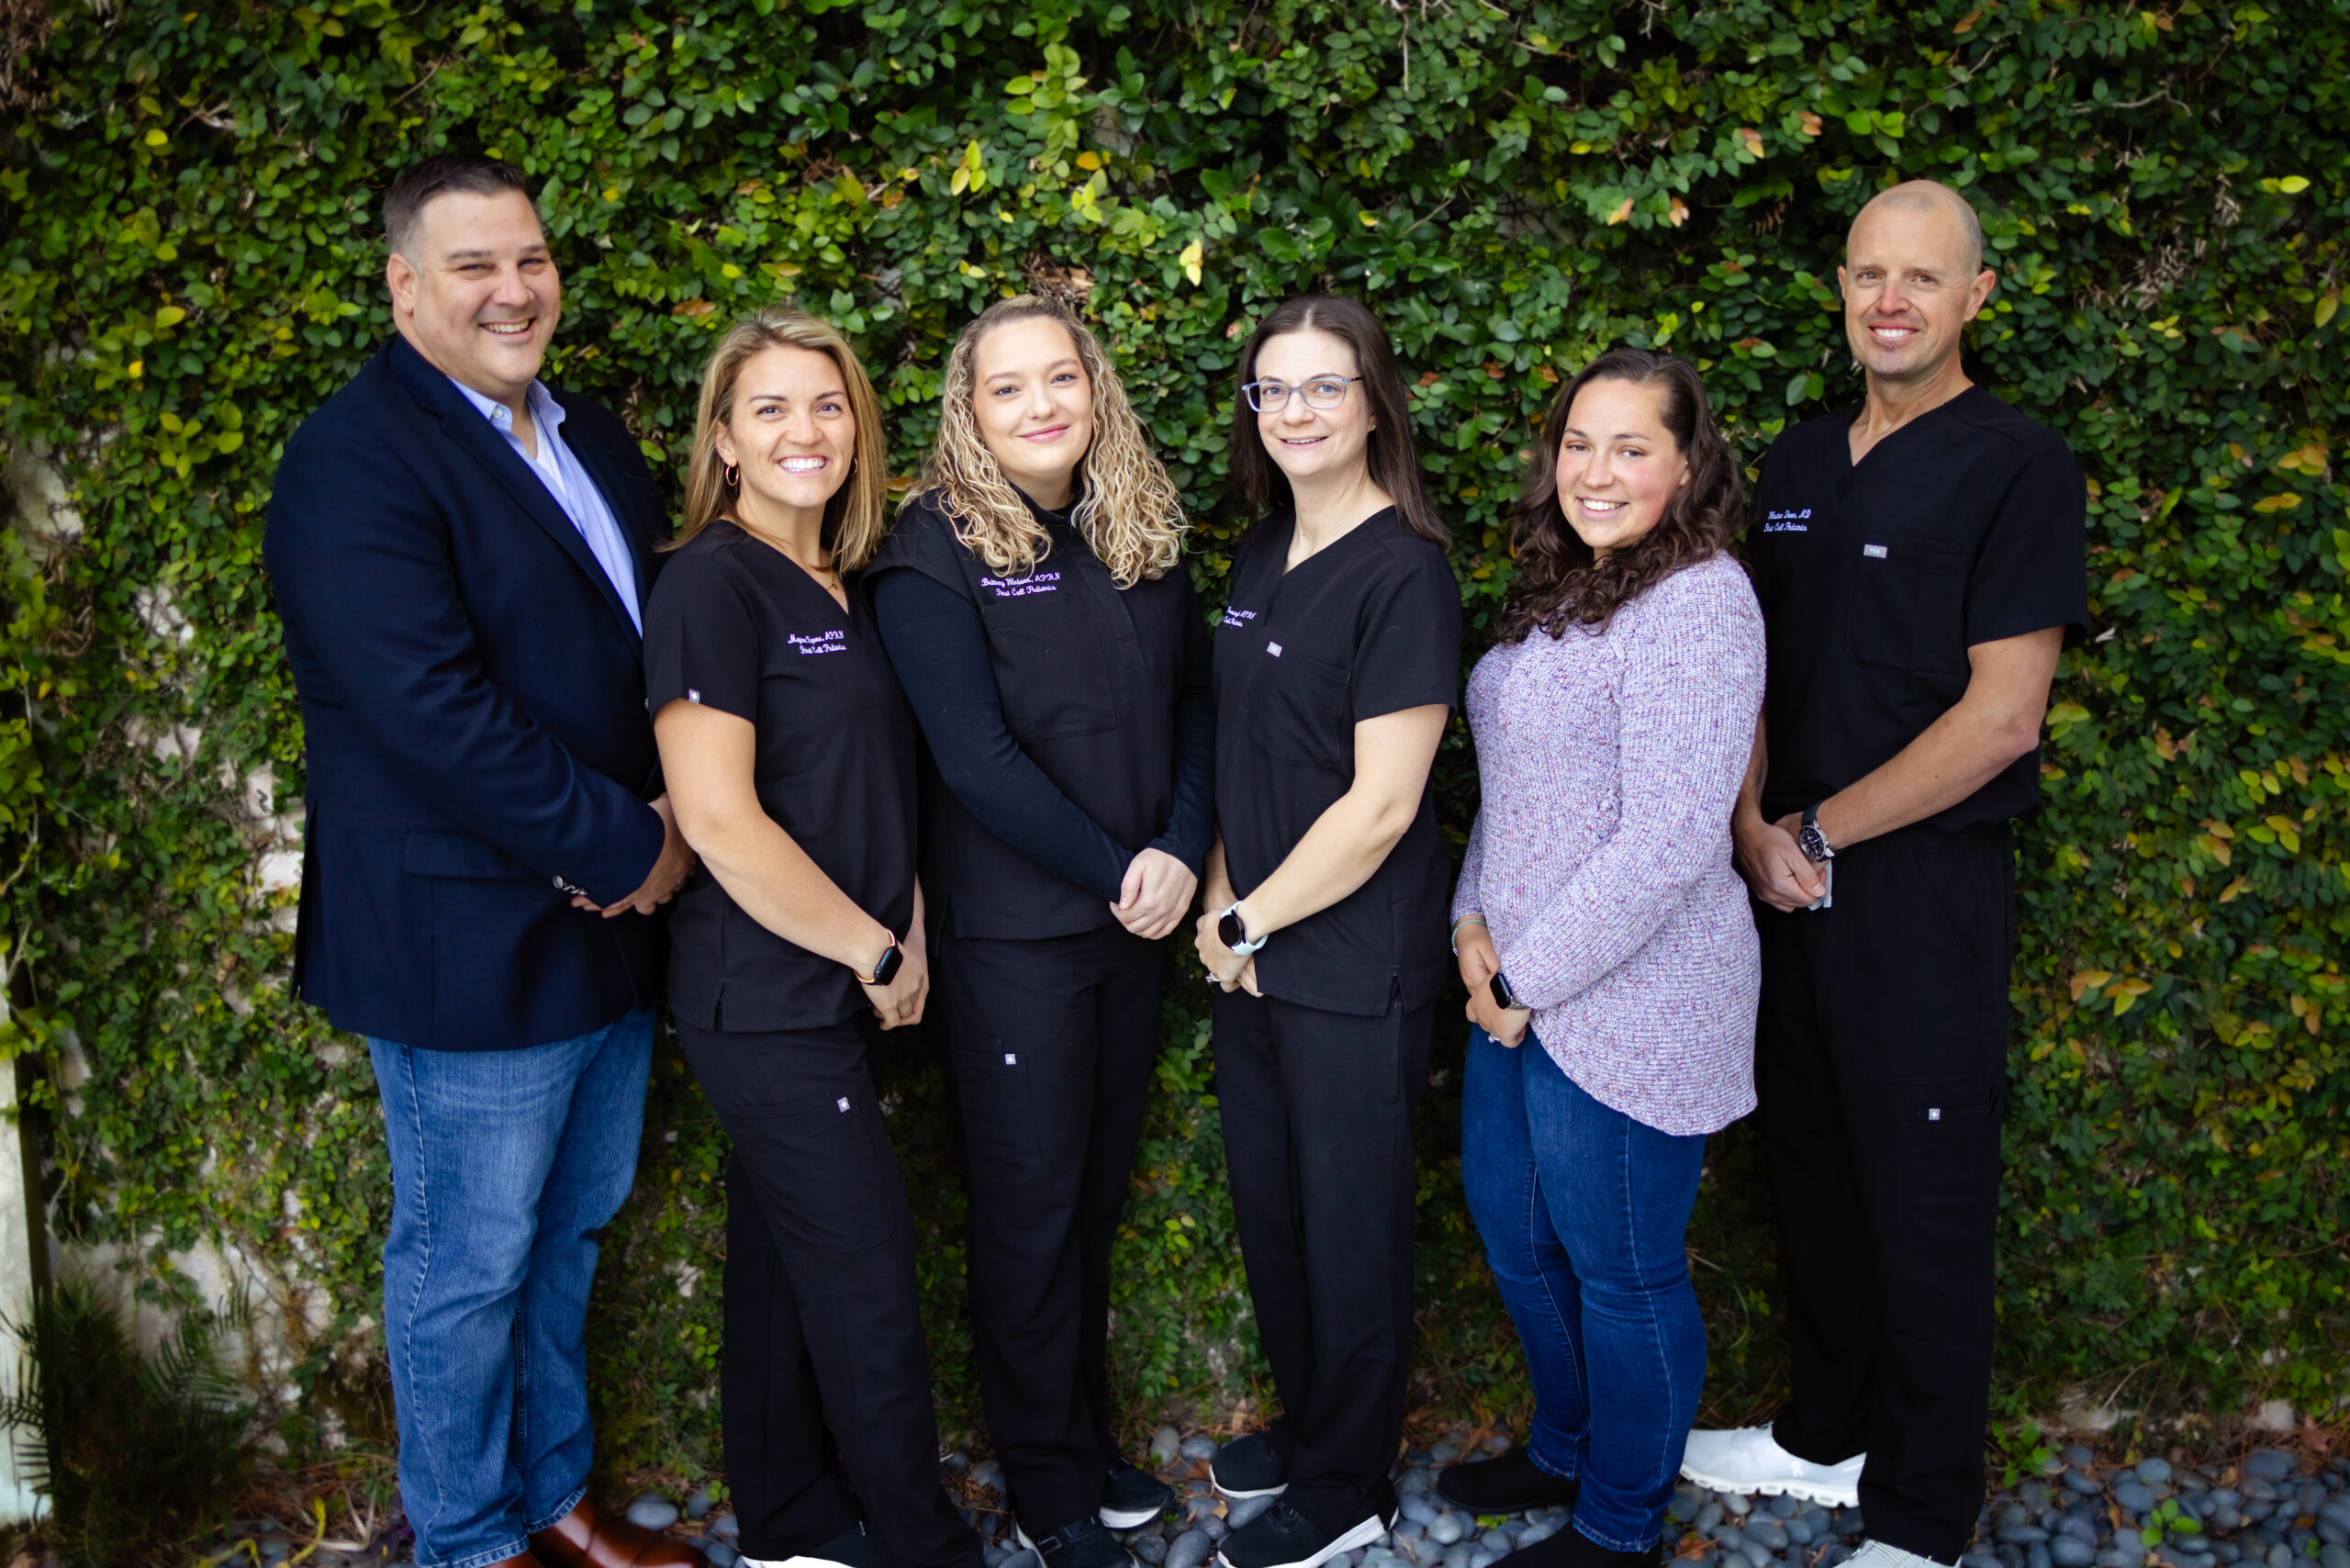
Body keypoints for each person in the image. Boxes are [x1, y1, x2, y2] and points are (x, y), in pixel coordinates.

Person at [264, 153, 699, 1568]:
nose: (514, 291)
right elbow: (430, 710)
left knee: (570, 1237)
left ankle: (555, 1506)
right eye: (472, 266)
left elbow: (650, 650)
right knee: (466, 1270)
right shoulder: (354, 459)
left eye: (530, 259)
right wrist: (630, 844)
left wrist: (674, 828)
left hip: (614, 930)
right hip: (471, 945)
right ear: (404, 287)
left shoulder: (591, 432)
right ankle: (465, 1544)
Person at [1677, 181, 2087, 1568]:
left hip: (1920, 897)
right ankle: (1824, 1440)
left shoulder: (2016, 464)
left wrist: (1821, 834)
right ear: (1843, 292)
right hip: (1782, 882)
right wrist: (1747, 827)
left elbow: (2003, 717)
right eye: (1866, 275)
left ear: (1976, 296)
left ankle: (1922, 1511)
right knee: (1811, 1176)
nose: (1890, 301)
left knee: (1920, 1200)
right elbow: (1744, 671)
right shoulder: (1795, 465)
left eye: (1921, 277)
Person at [865, 296, 1211, 1568]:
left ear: (1094, 387)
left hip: (1134, 926)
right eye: (1008, 388)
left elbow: (1194, 705)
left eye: (1059, 378)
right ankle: (1049, 1484)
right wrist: (1127, 869)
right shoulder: (930, 551)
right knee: (1027, 1210)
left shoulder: (1137, 529)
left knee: (1089, 1203)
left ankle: (1080, 1436)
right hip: (1017, 942)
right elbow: (977, 761)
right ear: (969, 406)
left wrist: (1178, 848)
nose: (1040, 405)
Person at [643, 310, 981, 1568]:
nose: (805, 432)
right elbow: (721, 821)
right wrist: (871, 951)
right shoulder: (707, 585)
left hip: (841, 973)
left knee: (789, 1263)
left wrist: (914, 932)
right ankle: (920, 1544)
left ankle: (788, 1519)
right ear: (724, 438)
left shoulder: (855, 578)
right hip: (762, 993)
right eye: (771, 409)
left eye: (827, 406)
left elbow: (885, 788)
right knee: (868, 1284)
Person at [1438, 348, 1765, 1568]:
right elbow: (1512, 800)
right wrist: (1472, 929)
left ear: (1689, 466)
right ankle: (1565, 1447)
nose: (1598, 470)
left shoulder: (1701, 601)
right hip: (1510, 988)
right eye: (1581, 443)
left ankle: (1619, 1520)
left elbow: (1675, 838)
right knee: (1521, 1241)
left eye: (1633, 447)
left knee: (1623, 1272)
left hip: (1631, 1004)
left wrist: (1526, 979)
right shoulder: (1560, 591)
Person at [1192, 296, 1461, 1568]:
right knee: (1277, 1210)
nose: (1296, 410)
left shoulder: (1404, 568)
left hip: (1355, 961)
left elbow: (1384, 803)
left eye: (1324, 386)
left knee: (1352, 1223)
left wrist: (1248, 916)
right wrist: (1222, 904)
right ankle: (1311, 1434)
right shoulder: (1256, 556)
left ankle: (1350, 1483)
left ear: (1374, 404)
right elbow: (1243, 752)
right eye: (1275, 389)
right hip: (1255, 954)